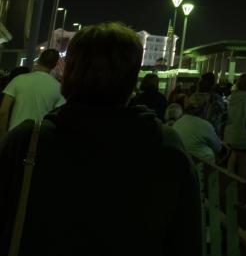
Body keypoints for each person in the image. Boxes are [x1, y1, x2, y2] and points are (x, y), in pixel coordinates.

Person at [0, 22, 201, 253]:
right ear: (132, 80)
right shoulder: (166, 147)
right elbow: (186, 240)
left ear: (68, 73)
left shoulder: (27, 141)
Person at [0, 48, 64, 135]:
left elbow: (3, 111)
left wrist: (3, 135)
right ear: (55, 65)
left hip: (14, 135)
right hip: (39, 139)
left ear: (39, 60)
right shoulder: (58, 88)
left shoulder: (18, 80)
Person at [224, 72, 246, 176]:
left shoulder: (232, 96)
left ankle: (229, 182)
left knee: (232, 158)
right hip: (241, 135)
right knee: (243, 162)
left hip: (230, 133)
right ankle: (241, 187)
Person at [174, 92, 223, 164]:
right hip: (198, 166)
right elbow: (218, 147)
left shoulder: (180, 120)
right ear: (204, 108)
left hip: (180, 162)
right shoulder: (205, 125)